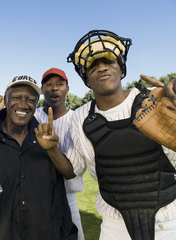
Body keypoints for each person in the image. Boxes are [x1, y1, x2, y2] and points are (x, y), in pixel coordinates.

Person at [66, 29, 176, 240]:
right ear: (86, 80)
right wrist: (51, 149)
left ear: (122, 70)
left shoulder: (153, 100)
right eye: (93, 66)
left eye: (109, 61)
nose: (102, 67)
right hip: (114, 225)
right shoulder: (80, 117)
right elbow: (74, 168)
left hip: (168, 221)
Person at [0, 33, 85, 239]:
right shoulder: (30, 114)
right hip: (25, 194)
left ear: (67, 88)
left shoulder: (76, 118)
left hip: (63, 196)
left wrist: (52, 149)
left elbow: (71, 172)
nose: (54, 88)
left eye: (60, 83)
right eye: (48, 84)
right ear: (43, 91)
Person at [0, 75, 78, 239]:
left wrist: (53, 150)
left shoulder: (46, 138)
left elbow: (58, 197)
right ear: (5, 99)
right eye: (17, 97)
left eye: (30, 99)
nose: (23, 104)